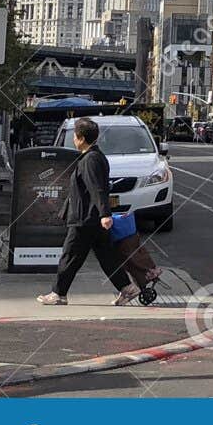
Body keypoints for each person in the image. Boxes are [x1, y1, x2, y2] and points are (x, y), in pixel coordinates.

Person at [37, 117, 133, 306]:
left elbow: (97, 188)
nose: (74, 139)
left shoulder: (90, 160)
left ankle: (58, 294)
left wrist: (105, 214)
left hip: (85, 218)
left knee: (70, 255)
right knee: (106, 256)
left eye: (75, 136)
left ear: (81, 138)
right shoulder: (94, 157)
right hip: (92, 218)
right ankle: (127, 288)